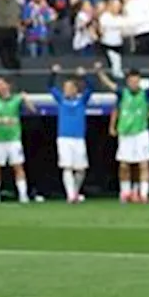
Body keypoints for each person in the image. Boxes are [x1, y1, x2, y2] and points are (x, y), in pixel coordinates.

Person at [95, 65, 149, 203]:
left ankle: (143, 194)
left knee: (143, 164)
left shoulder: (145, 93)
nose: (134, 84)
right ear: (127, 82)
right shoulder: (122, 93)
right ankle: (125, 192)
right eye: (132, 82)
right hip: (125, 133)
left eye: (136, 82)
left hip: (141, 132)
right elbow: (109, 85)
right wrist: (100, 72)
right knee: (124, 165)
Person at [49, 65, 96, 203]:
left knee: (81, 169)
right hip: (64, 138)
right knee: (67, 166)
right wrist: (53, 73)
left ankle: (75, 192)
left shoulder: (81, 101)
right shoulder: (61, 100)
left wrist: (84, 75)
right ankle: (70, 195)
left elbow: (91, 88)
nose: (67, 90)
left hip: (78, 138)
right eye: (65, 88)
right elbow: (50, 86)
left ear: (76, 89)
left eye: (70, 87)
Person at [0, 76, 36, 204]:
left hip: (13, 139)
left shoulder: (16, 99)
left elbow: (33, 110)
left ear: (8, 85)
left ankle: (23, 195)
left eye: (1, 84)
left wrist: (26, 99)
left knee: (18, 166)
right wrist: (1, 120)